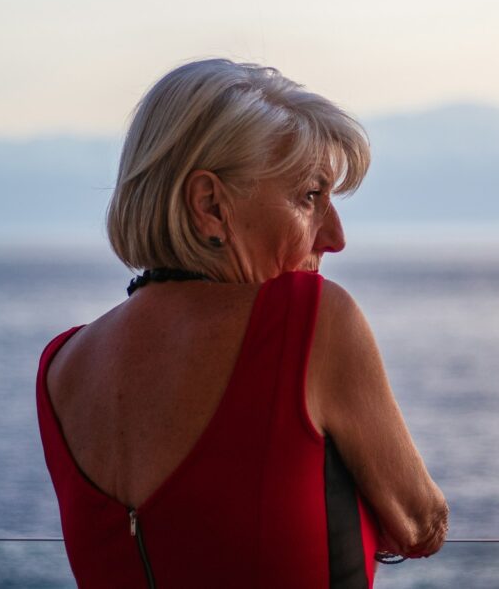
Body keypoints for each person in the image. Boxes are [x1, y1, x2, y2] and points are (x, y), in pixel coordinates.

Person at [36, 58, 448, 588]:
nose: (335, 237)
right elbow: (421, 524)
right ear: (209, 205)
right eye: (310, 197)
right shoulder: (308, 319)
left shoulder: (62, 368)